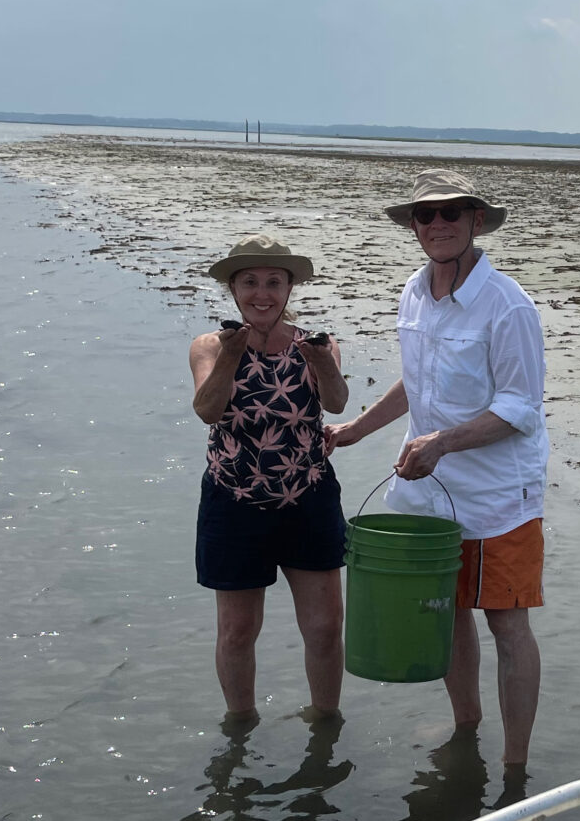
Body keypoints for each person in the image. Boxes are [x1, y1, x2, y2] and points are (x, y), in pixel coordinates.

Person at [325, 170, 548, 768]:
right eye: (426, 215)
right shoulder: (414, 292)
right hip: (427, 487)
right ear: (414, 227)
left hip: (500, 492)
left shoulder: (508, 306)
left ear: (477, 221)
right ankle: (466, 730)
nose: (439, 224)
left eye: (454, 212)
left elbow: (520, 408)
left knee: (507, 624)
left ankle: (515, 767)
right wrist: (354, 430)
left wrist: (443, 443)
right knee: (445, 611)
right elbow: (416, 381)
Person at [188, 234, 350, 724]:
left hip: (308, 498)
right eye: (251, 282)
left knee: (324, 628)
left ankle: (325, 722)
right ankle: (241, 725)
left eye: (275, 283)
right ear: (233, 290)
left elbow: (338, 404)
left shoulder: (316, 344)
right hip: (234, 500)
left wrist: (321, 360)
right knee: (237, 631)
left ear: (290, 289)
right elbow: (207, 410)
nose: (263, 294)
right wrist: (233, 356)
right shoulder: (209, 346)